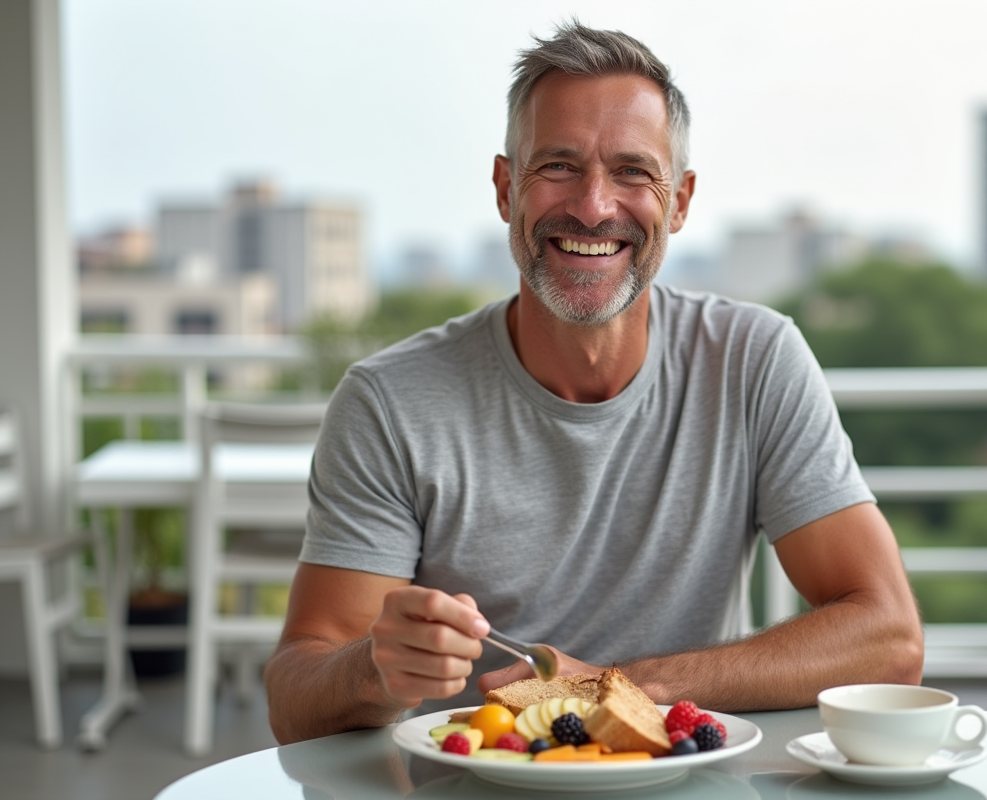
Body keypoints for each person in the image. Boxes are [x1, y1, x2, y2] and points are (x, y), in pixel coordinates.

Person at [264, 20, 923, 745]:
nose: (594, 205)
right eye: (558, 167)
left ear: (678, 202)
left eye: (633, 172)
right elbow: (296, 698)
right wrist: (373, 670)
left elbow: (889, 639)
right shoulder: (390, 402)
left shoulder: (753, 360)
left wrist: (614, 690)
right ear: (504, 187)